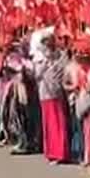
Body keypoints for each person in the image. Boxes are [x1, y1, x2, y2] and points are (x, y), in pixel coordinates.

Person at [33, 28, 70, 163]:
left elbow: (65, 72)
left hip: (57, 94)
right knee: (48, 124)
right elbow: (36, 75)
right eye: (45, 42)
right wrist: (45, 64)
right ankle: (51, 151)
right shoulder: (40, 59)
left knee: (59, 123)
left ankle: (61, 152)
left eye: (50, 42)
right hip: (45, 94)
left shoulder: (61, 57)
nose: (48, 45)